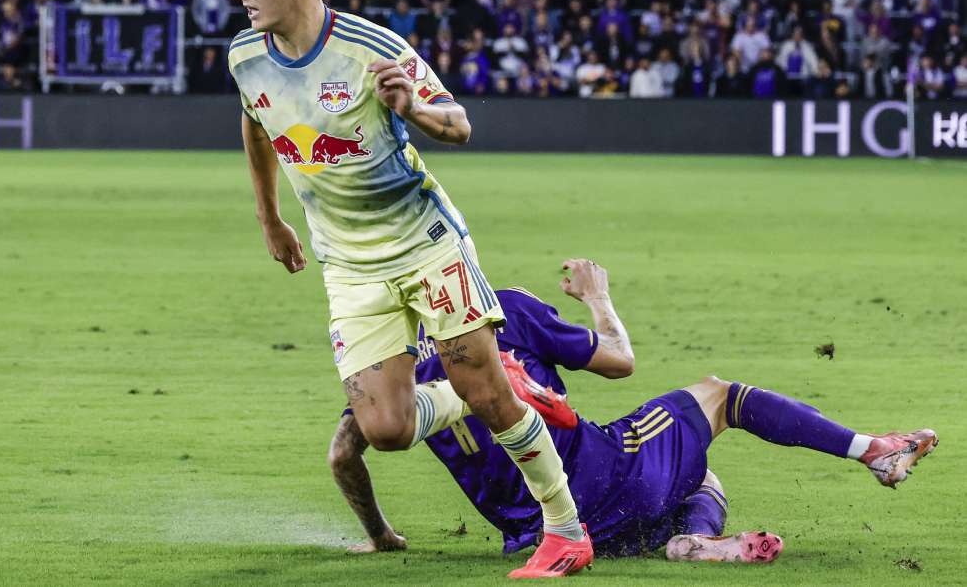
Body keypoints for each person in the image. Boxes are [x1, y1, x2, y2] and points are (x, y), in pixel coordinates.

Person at [225, 0, 591, 579]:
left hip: (427, 245)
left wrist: (413, 110)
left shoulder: (371, 49)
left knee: (488, 397)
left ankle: (565, 529)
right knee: (386, 429)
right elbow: (256, 126)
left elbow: (458, 125)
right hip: (347, 263)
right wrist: (269, 218)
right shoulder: (245, 57)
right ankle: (491, 382)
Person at [330, 259, 937, 562]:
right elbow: (620, 360)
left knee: (687, 479)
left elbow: (341, 455)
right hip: (603, 476)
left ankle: (690, 544)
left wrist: (381, 536)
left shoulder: (382, 374)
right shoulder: (500, 311)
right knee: (719, 397)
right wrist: (598, 297)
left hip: (532, 535)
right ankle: (873, 451)